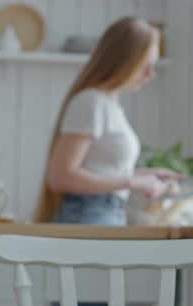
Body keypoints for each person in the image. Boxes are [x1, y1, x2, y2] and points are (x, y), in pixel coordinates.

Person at [34, 17, 181, 226]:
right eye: (144, 65)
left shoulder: (108, 106)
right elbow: (61, 177)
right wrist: (133, 182)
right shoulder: (92, 102)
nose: (150, 75)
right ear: (123, 61)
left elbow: (100, 171)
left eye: (153, 66)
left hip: (102, 214)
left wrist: (145, 176)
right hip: (89, 216)